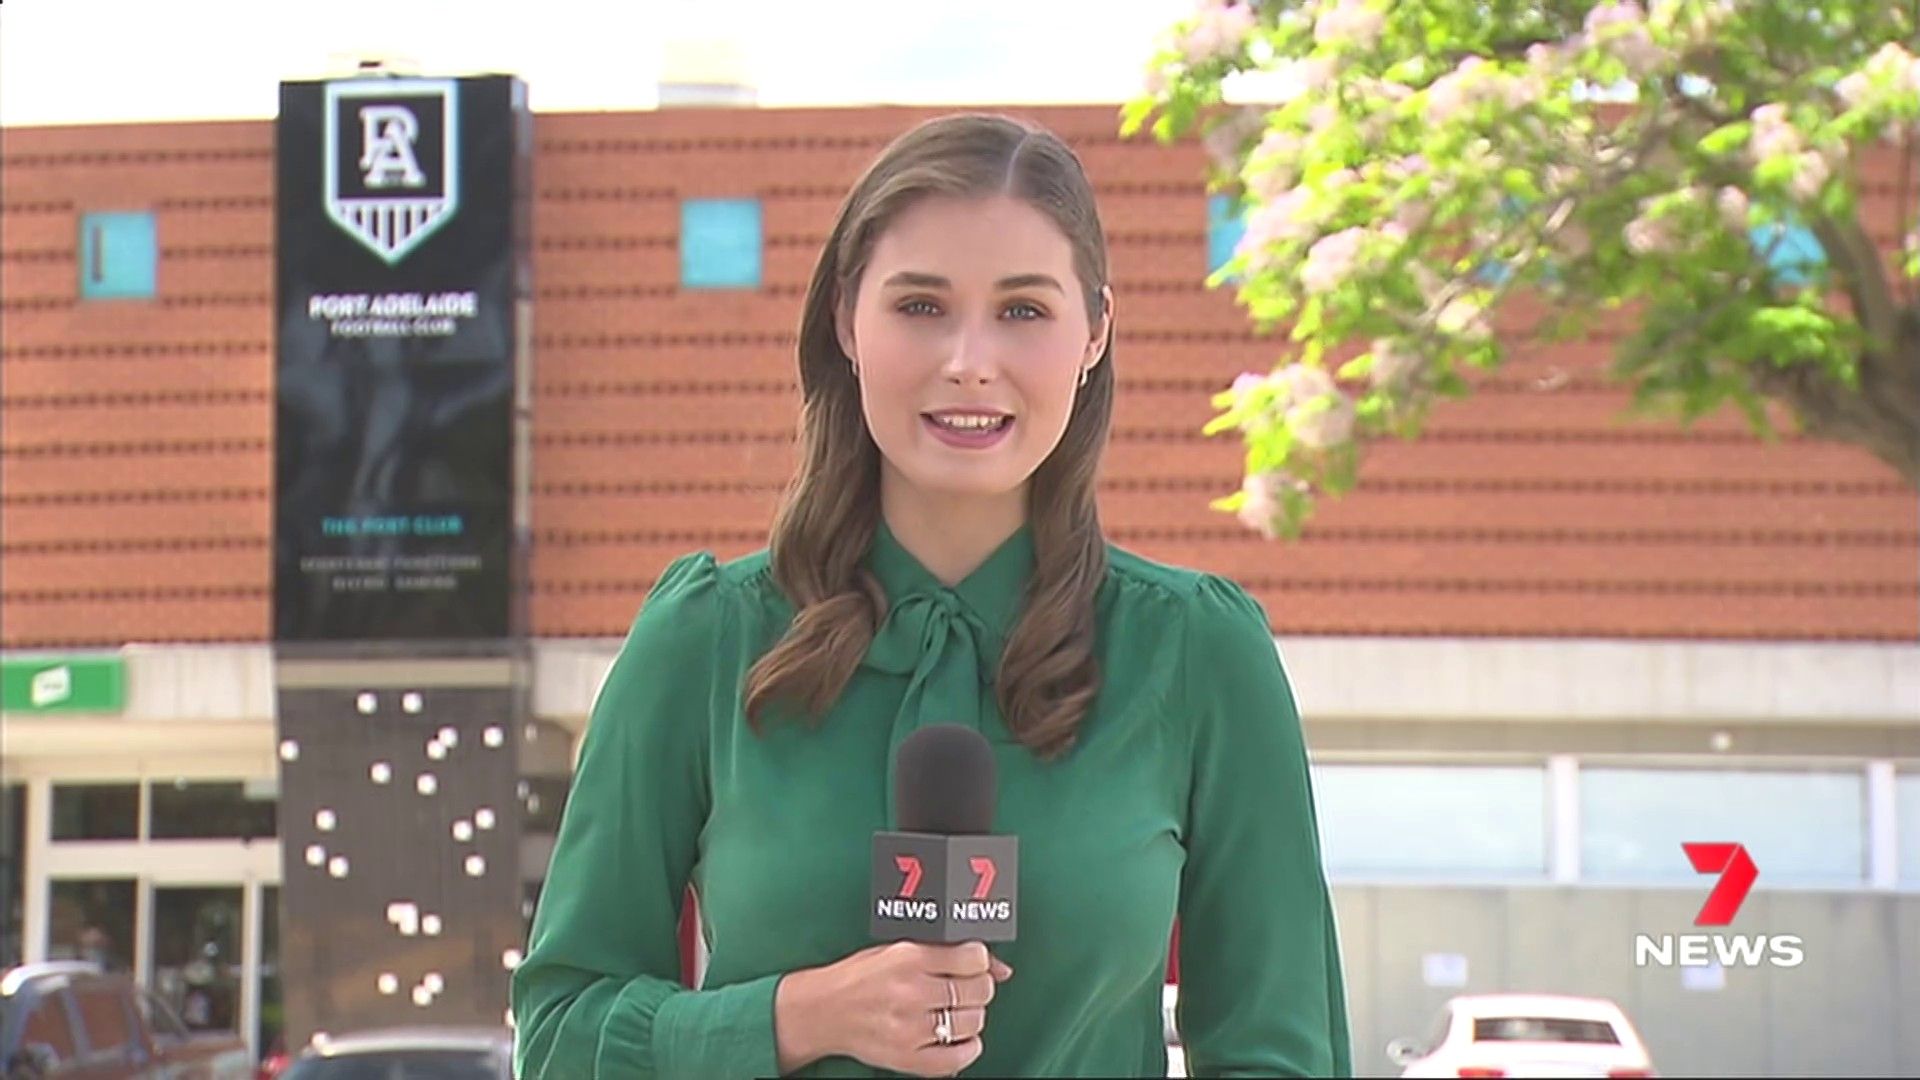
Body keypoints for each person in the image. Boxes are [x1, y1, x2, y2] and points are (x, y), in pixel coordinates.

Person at [511, 112, 1351, 1079]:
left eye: (1023, 311)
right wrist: (795, 1016)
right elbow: (560, 1033)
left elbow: (1282, 1052)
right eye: (920, 305)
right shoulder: (704, 640)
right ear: (846, 321)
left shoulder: (1197, 655)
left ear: (1095, 334)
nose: (969, 361)